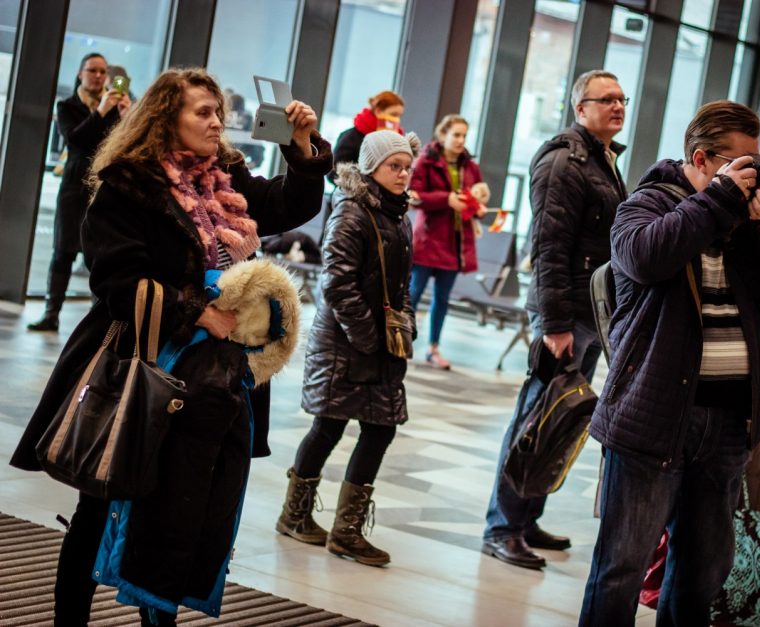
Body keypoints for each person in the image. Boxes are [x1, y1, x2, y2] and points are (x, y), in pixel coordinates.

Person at [10, 67, 331, 625]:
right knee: (101, 504)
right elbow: (114, 279)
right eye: (201, 112)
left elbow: (285, 206)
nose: (217, 121)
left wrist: (302, 150)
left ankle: (157, 619)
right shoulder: (127, 183)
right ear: (165, 118)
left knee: (180, 507)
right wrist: (195, 311)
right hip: (136, 363)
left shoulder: (224, 174)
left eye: (217, 112)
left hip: (209, 372)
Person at [579, 100, 760, 627]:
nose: (755, 176)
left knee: (704, 569)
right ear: (702, 159)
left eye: (759, 162)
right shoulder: (647, 204)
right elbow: (645, 257)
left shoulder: (753, 224)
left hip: (730, 423)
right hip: (655, 413)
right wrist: (717, 201)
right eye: (743, 164)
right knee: (622, 565)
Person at [482, 70, 627, 569]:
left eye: (621, 99)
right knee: (534, 421)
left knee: (562, 420)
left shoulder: (602, 159)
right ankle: (502, 526)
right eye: (606, 99)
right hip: (566, 318)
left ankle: (527, 516)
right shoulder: (565, 160)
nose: (618, 105)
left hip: (588, 314)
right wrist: (555, 323)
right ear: (579, 107)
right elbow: (549, 248)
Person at [278, 130, 420, 568]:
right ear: (371, 167)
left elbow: (401, 285)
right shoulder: (352, 211)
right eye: (394, 166)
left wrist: (405, 324)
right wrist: (368, 338)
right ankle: (303, 518)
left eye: (406, 166)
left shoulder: (397, 214)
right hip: (346, 344)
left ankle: (340, 529)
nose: (402, 173)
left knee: (377, 429)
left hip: (378, 345)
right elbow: (335, 285)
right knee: (330, 426)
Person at [28, 52, 131, 332]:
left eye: (102, 71)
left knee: (99, 256)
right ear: (80, 73)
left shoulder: (115, 107)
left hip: (103, 188)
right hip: (74, 187)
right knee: (63, 250)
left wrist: (125, 115)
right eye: (92, 70)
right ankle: (51, 313)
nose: (98, 76)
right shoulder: (67, 106)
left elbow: (124, 144)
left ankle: (98, 321)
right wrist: (100, 112)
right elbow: (75, 139)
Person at [409, 114, 487, 369]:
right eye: (456, 134)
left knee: (442, 299)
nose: (461, 140)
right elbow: (413, 196)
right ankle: (401, 341)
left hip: (455, 243)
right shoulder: (426, 161)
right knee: (412, 294)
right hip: (428, 239)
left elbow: (475, 196)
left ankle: (433, 348)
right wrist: (446, 199)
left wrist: (478, 208)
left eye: (464, 135)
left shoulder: (470, 166)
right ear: (443, 135)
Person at [329, 90, 405, 181]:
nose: (396, 120)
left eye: (399, 116)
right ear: (378, 111)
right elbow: (334, 173)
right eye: (393, 114)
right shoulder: (352, 137)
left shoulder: (398, 143)